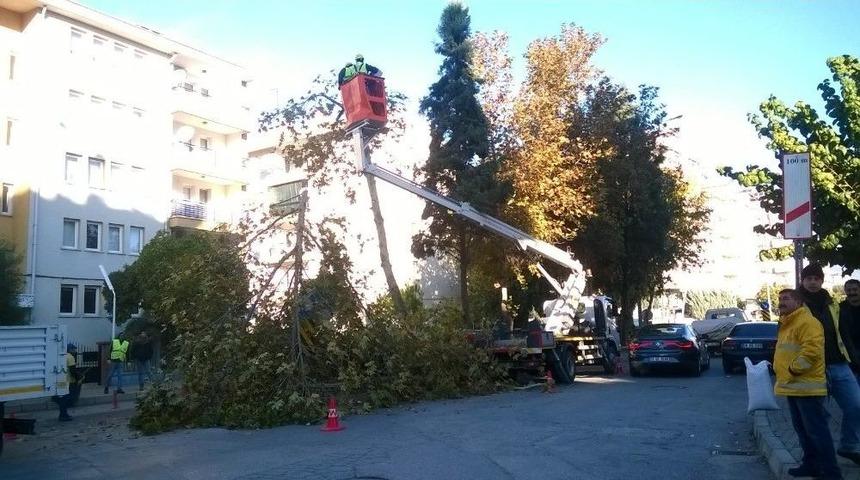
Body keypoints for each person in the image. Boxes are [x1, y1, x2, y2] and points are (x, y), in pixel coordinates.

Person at [774, 288, 842, 479]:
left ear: (798, 302)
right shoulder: (788, 322)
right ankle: (811, 465)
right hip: (793, 386)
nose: (781, 302)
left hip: (807, 387)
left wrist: (793, 369)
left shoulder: (807, 322)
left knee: (817, 432)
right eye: (780, 299)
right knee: (803, 431)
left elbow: (812, 351)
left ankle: (831, 473)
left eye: (786, 298)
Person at [798, 263, 860, 464]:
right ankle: (816, 457)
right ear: (802, 281)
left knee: (856, 406)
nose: (813, 282)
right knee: (817, 416)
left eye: (817, 278)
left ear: (822, 281)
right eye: (809, 278)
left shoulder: (832, 303)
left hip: (839, 364)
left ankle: (848, 446)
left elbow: (843, 333)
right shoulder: (795, 304)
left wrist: (853, 359)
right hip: (812, 368)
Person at [842, 279, 860, 380]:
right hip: (849, 352)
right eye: (849, 290)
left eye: (855, 289)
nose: (852, 292)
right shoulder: (840, 308)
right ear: (845, 291)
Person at [57, 343, 81, 421]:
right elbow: (72, 370)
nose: (75, 351)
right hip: (68, 381)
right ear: (70, 349)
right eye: (73, 349)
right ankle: (63, 415)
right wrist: (78, 378)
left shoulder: (61, 356)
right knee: (67, 398)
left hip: (60, 379)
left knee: (62, 398)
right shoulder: (70, 357)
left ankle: (63, 414)